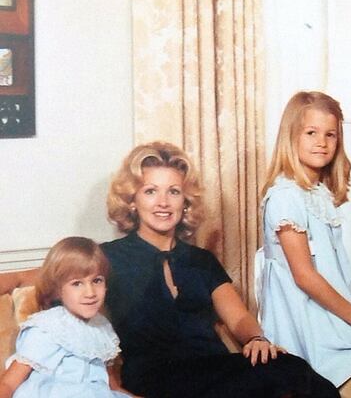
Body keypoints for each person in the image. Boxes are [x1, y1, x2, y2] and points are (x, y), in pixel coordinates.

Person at [103, 141, 338, 398]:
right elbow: (82, 323)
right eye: (150, 191)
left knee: (293, 369)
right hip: (155, 378)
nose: (163, 202)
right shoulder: (107, 258)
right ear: (132, 201)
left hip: (213, 369)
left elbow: (238, 319)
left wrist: (255, 339)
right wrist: (113, 385)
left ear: (185, 202)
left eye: (173, 192)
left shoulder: (202, 260)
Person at [255, 91, 351, 388]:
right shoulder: (286, 196)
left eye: (331, 134)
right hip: (306, 321)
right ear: (291, 136)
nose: (321, 142)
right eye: (311, 133)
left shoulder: (318, 194)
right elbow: (304, 276)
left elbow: (335, 270)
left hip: (331, 312)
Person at [0, 237, 133, 397]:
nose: (90, 293)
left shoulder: (103, 327)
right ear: (57, 289)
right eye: (77, 283)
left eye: (97, 280)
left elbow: (112, 387)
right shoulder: (48, 327)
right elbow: (8, 383)